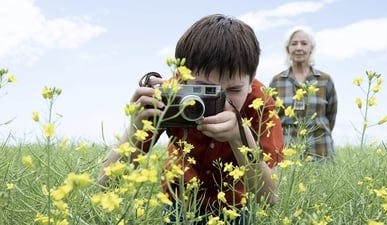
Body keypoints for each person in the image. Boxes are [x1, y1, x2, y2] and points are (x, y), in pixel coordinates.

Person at [100, 14, 284, 224]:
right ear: (181, 76)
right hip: (178, 201)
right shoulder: (170, 94)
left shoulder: (261, 103)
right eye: (203, 89)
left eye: (233, 90)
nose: (221, 102)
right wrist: (136, 127)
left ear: (251, 81)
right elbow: (107, 181)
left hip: (236, 207)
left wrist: (239, 137)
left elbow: (268, 198)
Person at [269, 28, 337, 160]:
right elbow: (271, 117)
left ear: (311, 48)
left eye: (304, 43)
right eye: (294, 43)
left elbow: (331, 116)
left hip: (320, 150)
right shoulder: (277, 81)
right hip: (287, 152)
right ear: (288, 49)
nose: (299, 48)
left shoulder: (325, 80)